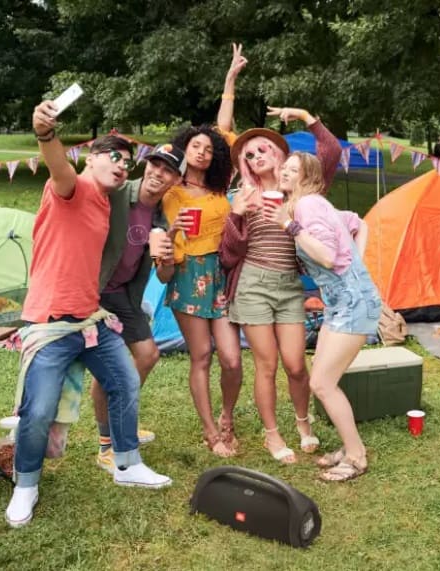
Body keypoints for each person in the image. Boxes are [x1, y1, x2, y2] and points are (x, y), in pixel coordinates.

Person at [6, 101, 171, 528]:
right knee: (38, 411)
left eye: (127, 161)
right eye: (113, 157)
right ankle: (26, 484)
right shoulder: (72, 188)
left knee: (125, 382)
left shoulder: (105, 202)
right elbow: (58, 168)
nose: (121, 165)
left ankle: (126, 463)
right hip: (50, 322)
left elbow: (142, 215)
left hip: (90, 320)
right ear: (90, 158)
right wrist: (46, 134)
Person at [219, 106, 341, 464]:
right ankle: (272, 434)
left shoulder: (301, 190)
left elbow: (331, 152)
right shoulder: (242, 195)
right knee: (267, 365)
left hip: (289, 286)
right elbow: (228, 255)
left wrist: (306, 117)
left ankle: (303, 423)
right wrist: (237, 214)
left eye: (263, 149)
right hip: (253, 285)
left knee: (296, 364)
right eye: (249, 155)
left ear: (278, 153)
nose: (257, 156)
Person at [262, 150, 380, 482]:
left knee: (322, 384)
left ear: (309, 177)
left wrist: (288, 225)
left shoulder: (307, 206)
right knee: (322, 379)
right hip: (341, 302)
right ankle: (350, 446)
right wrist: (357, 261)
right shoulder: (310, 204)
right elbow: (359, 222)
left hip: (354, 303)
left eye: (293, 169)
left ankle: (356, 457)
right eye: (284, 167)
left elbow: (327, 257)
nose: (284, 172)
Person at [160, 44, 246, 457]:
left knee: (232, 358)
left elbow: (223, 130)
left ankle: (228, 417)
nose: (204, 151)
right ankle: (211, 433)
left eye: (209, 149)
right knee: (202, 356)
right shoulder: (170, 187)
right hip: (188, 272)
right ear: (185, 149)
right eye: (197, 146)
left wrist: (230, 81)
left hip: (221, 272)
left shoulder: (217, 187)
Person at [91, 144, 186, 474]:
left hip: (125, 296)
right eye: (155, 165)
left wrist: (167, 255)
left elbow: (164, 274)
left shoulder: (163, 215)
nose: (158, 173)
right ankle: (107, 444)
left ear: (176, 180)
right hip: (95, 291)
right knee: (109, 368)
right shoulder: (116, 193)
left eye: (168, 170)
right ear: (145, 166)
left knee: (147, 355)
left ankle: (122, 418)